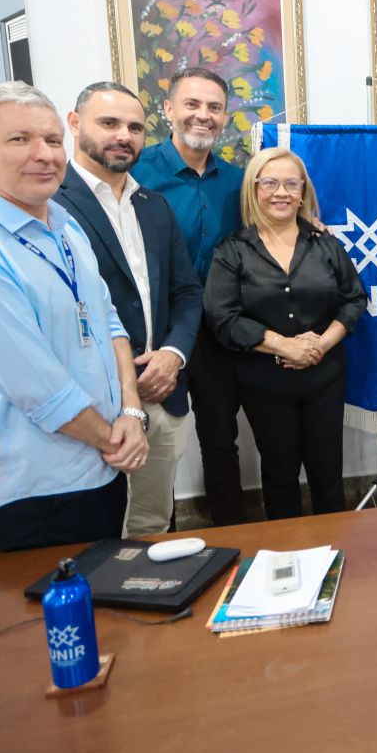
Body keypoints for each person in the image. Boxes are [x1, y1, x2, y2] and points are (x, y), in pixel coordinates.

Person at [0, 82, 148, 551]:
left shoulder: (62, 226)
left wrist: (130, 410)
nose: (44, 154)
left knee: (103, 615)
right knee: (63, 621)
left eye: (51, 140)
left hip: (101, 467)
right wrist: (116, 440)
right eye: (19, 139)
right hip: (44, 491)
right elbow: (40, 391)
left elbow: (107, 321)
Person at [56, 82, 203, 537]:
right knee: (98, 538)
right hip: (97, 409)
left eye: (135, 128)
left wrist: (173, 355)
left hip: (164, 393)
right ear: (75, 123)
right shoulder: (50, 206)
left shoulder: (152, 205)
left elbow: (187, 293)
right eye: (109, 123)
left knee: (151, 527)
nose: (124, 135)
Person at [204, 147, 366, 519]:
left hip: (325, 376)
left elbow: (354, 300)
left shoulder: (326, 244)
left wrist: (321, 344)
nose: (282, 192)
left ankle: (337, 557)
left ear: (303, 191)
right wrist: (284, 346)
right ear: (254, 189)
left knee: (328, 475)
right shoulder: (233, 252)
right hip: (265, 382)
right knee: (279, 476)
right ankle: (287, 565)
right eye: (271, 183)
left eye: (292, 183)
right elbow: (223, 317)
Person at [133, 67, 252, 524]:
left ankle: (232, 534)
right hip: (157, 337)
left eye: (214, 108)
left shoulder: (240, 181)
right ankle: (160, 543)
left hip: (219, 333)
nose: (203, 116)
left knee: (221, 439)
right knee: (155, 441)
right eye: (192, 105)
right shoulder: (137, 174)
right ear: (168, 111)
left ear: (225, 117)